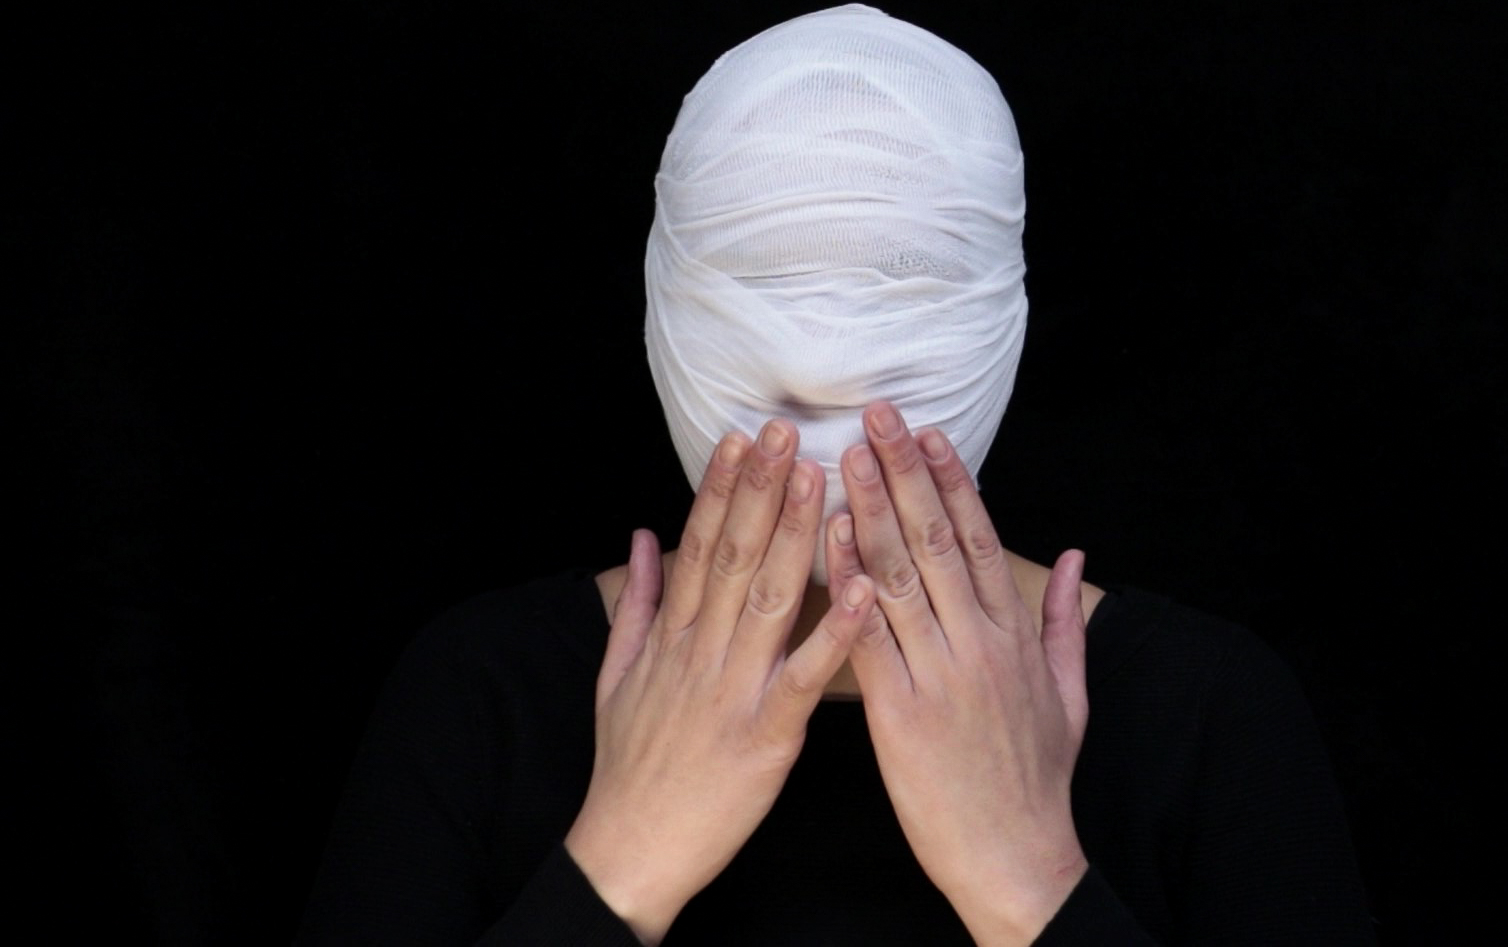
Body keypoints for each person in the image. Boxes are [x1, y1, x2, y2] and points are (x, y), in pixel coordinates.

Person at [297, 6, 1374, 944]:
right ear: (662, 305)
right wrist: (623, 862)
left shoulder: (1207, 716)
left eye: (903, 287)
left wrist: (1027, 879)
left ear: (1005, 313)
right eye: (761, 286)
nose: (820, 366)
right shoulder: (482, 696)